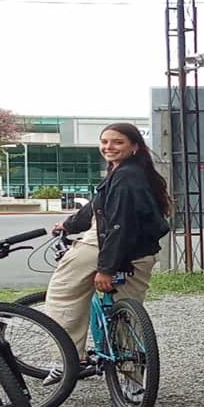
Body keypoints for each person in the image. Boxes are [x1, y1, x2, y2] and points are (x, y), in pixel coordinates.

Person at [43, 123, 171, 378]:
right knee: (127, 313)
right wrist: (69, 223)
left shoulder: (124, 177)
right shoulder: (136, 173)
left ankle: (68, 360)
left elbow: (118, 225)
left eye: (117, 142)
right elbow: (97, 206)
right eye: (104, 142)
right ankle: (133, 380)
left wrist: (106, 269)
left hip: (106, 244)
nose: (108, 147)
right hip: (141, 253)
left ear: (135, 146)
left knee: (63, 293)